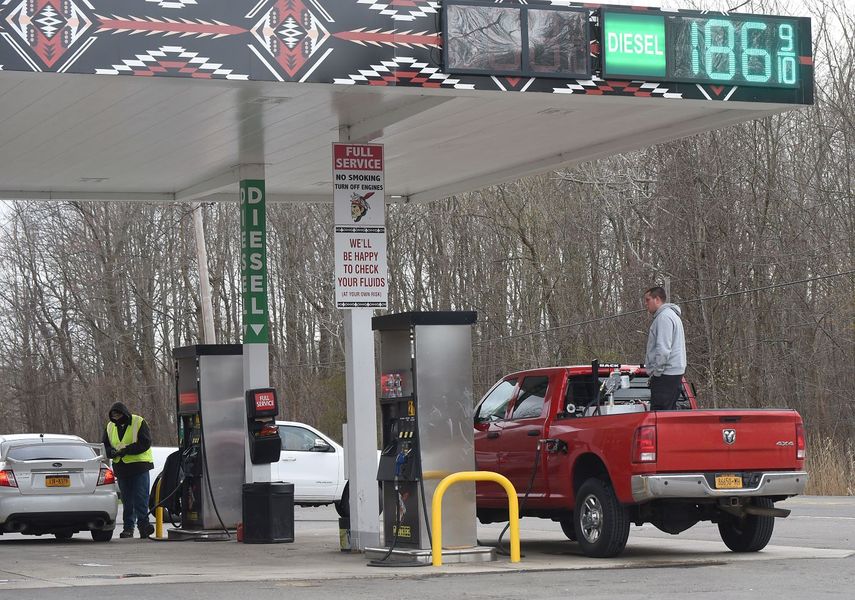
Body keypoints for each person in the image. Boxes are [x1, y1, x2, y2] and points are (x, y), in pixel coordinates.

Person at [103, 402, 155, 539]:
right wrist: (111, 452)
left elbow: (145, 443)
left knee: (140, 498)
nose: (116, 418)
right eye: (114, 416)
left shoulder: (138, 422)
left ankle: (144, 527)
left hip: (139, 466)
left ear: (124, 414)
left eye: (118, 415)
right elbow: (105, 445)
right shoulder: (110, 426)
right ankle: (128, 528)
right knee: (127, 500)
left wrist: (127, 450)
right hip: (121, 467)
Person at [644, 286, 686, 411]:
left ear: (657, 299)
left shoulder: (664, 317)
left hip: (665, 374)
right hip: (673, 374)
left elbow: (663, 349)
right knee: (668, 414)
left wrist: (656, 373)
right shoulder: (671, 315)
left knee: (659, 414)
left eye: (648, 300)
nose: (646, 304)